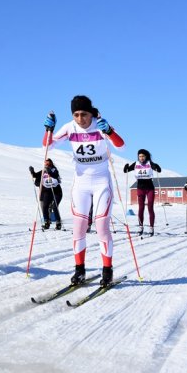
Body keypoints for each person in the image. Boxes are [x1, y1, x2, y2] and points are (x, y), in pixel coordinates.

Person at [43, 95, 125, 287]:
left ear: (91, 113)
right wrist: (48, 129)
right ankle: (79, 270)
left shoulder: (100, 124)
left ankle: (107, 271)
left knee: (101, 225)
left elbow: (122, 147)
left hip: (101, 181)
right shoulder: (69, 127)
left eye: (84, 114)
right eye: (76, 115)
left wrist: (110, 132)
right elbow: (47, 146)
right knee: (78, 227)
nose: (80, 119)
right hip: (81, 183)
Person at [123, 149, 162, 236]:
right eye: (140, 156)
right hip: (140, 188)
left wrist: (157, 167)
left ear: (146, 156)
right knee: (141, 208)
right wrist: (126, 167)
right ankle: (141, 226)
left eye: (143, 156)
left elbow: (159, 170)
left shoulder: (149, 163)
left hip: (150, 188)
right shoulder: (136, 164)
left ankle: (151, 227)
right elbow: (126, 170)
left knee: (150, 208)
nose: (141, 158)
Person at [29, 158, 63, 230]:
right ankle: (47, 222)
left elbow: (55, 175)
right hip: (47, 192)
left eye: (48, 162)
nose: (46, 164)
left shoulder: (54, 169)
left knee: (54, 207)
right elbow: (35, 175)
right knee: (45, 206)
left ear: (51, 163)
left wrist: (49, 172)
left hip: (56, 192)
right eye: (45, 163)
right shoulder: (43, 171)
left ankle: (58, 223)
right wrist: (32, 171)